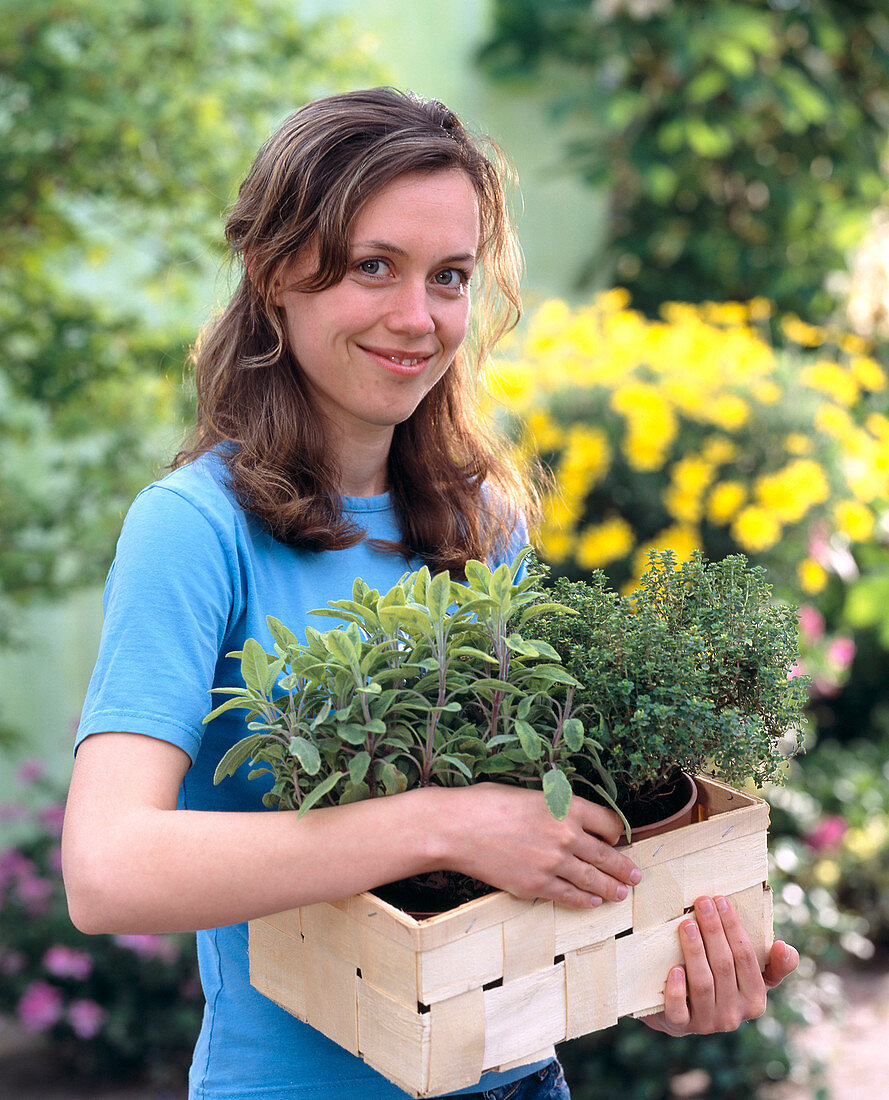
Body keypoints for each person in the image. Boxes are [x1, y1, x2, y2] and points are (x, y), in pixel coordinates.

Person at [61, 88, 798, 1100]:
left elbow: (518, 859)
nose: (418, 318)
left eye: (449, 276)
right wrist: (441, 819)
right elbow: (108, 868)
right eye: (374, 267)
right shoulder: (194, 530)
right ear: (278, 275)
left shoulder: (482, 518)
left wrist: (647, 966)